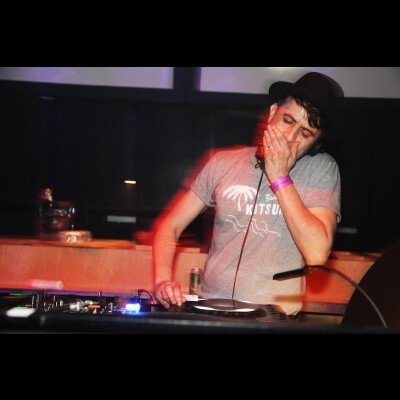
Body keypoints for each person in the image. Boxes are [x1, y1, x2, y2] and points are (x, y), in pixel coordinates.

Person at [152, 72, 344, 316]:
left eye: (305, 134)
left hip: (273, 318)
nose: (290, 137)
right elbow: (171, 225)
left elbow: (316, 254)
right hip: (210, 310)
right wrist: (162, 279)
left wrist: (280, 178)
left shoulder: (322, 170)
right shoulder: (222, 162)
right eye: (287, 120)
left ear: (315, 143)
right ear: (272, 112)